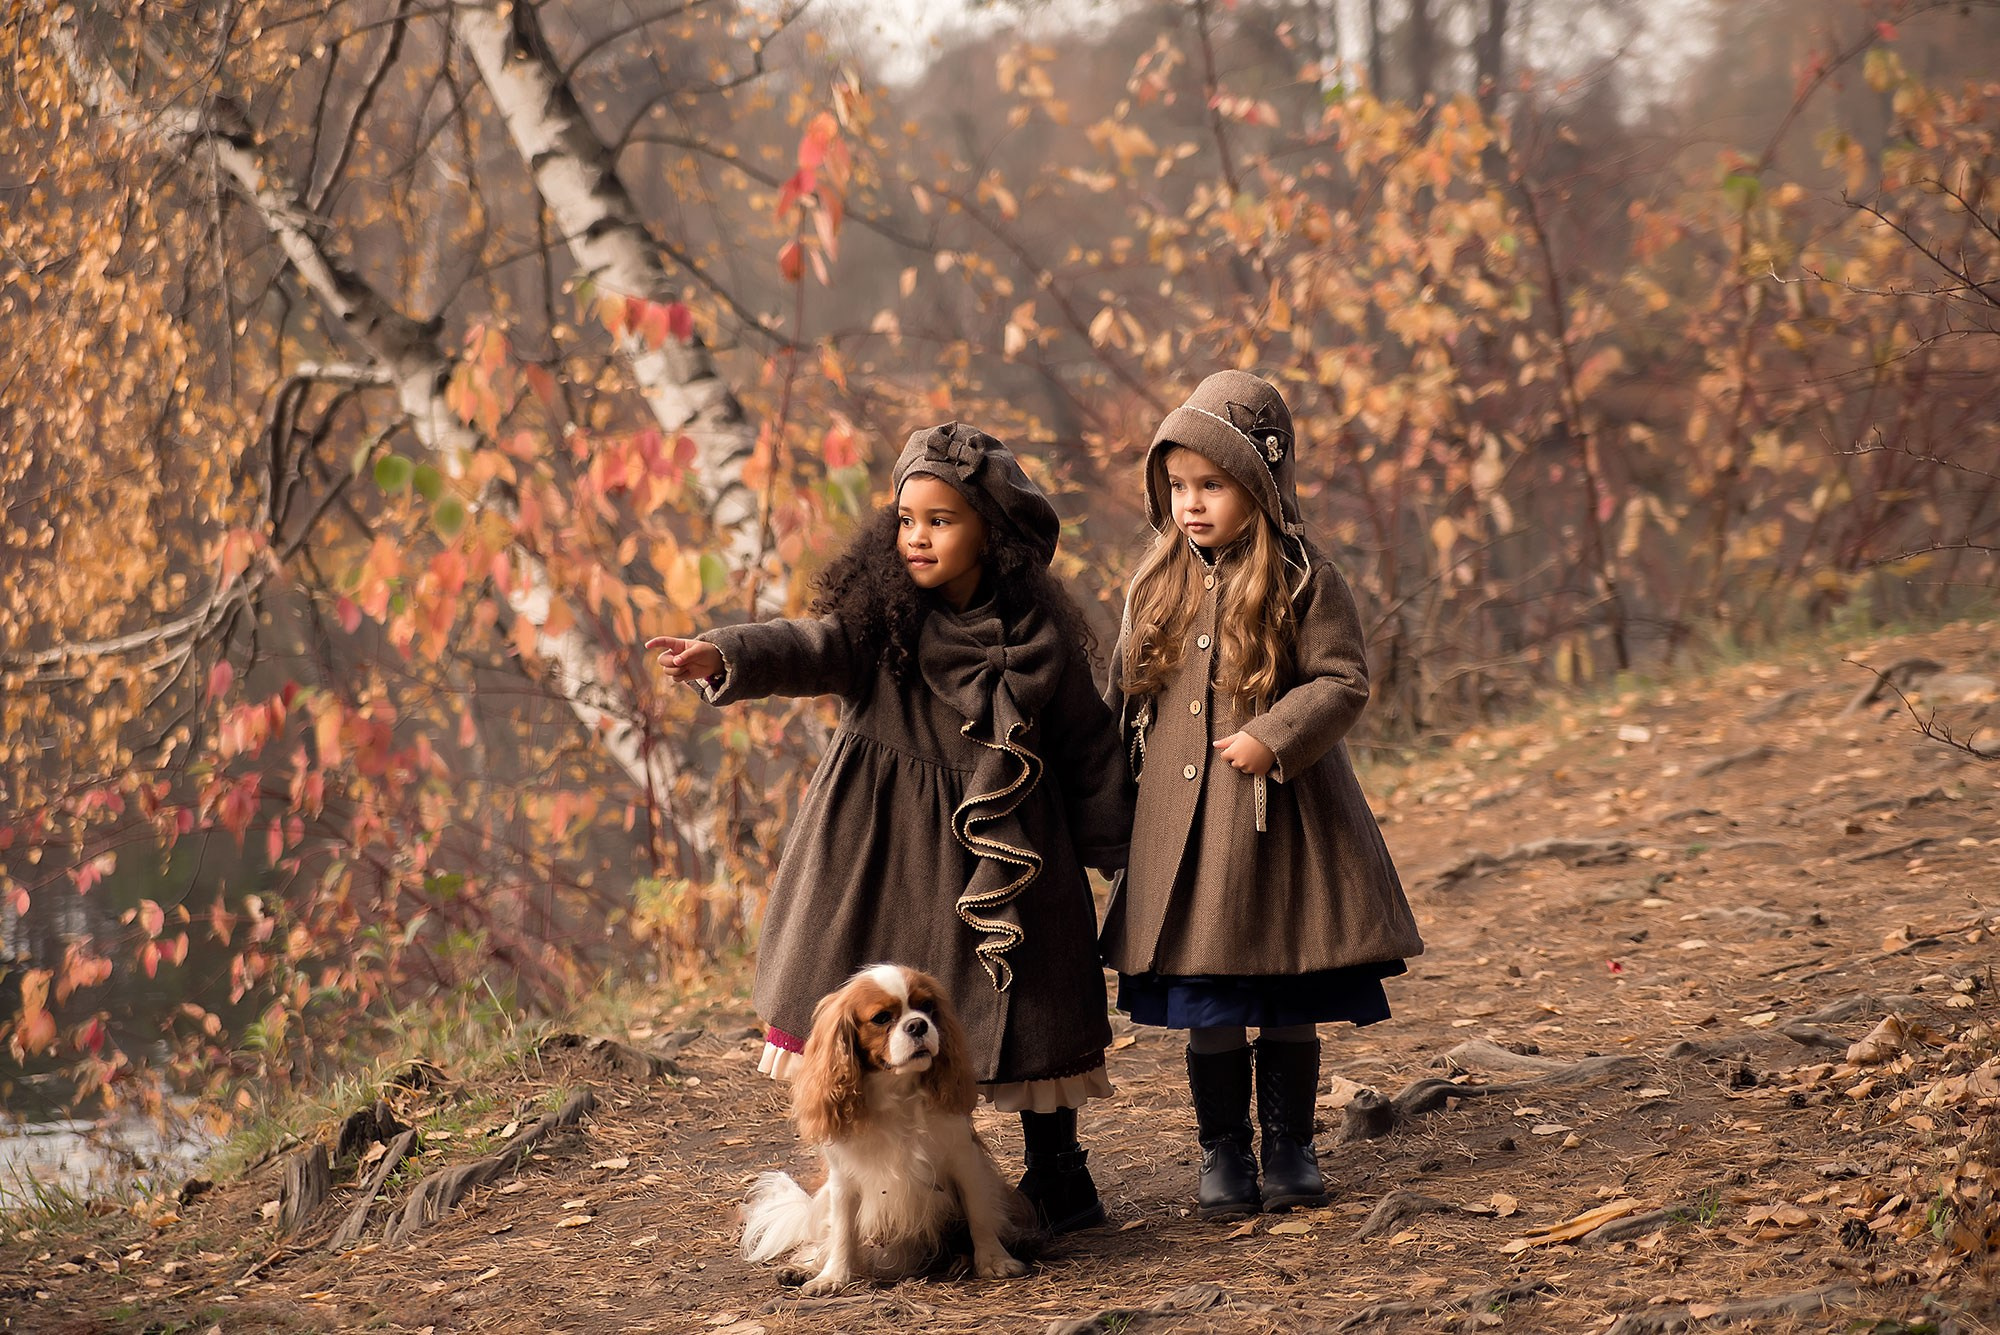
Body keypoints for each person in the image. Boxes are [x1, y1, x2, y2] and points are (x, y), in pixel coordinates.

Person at [649, 422, 1131, 1233]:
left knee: (1037, 993)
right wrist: (728, 654)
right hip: (885, 852)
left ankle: (1060, 1168)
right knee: (883, 1004)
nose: (918, 536)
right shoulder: (882, 627)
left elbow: (1089, 750)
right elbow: (809, 645)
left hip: (1012, 851)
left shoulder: (1044, 646)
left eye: (940, 520)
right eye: (907, 519)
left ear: (993, 533)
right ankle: (880, 1179)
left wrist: (1120, 853)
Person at [1102, 371, 1424, 1221]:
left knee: (1285, 997)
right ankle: (1223, 1151)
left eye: (1212, 485)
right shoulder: (1155, 579)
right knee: (1209, 1001)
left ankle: (1288, 1145)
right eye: (1178, 486)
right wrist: (1104, 809)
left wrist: (1273, 735)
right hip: (1189, 844)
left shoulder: (1303, 574)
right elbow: (1125, 700)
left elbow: (1343, 679)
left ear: (1261, 484)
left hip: (1285, 829)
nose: (1192, 504)